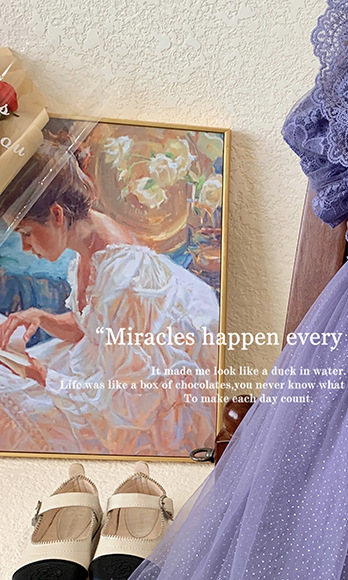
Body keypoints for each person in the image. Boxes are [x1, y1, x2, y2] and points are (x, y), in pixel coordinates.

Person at [0, 137, 220, 455]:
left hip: (133, 412)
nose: (24, 247)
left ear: (58, 215)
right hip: (106, 372)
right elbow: (93, 327)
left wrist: (44, 376)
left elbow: (134, 403)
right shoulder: (90, 238)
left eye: (26, 233)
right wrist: (43, 317)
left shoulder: (126, 280)